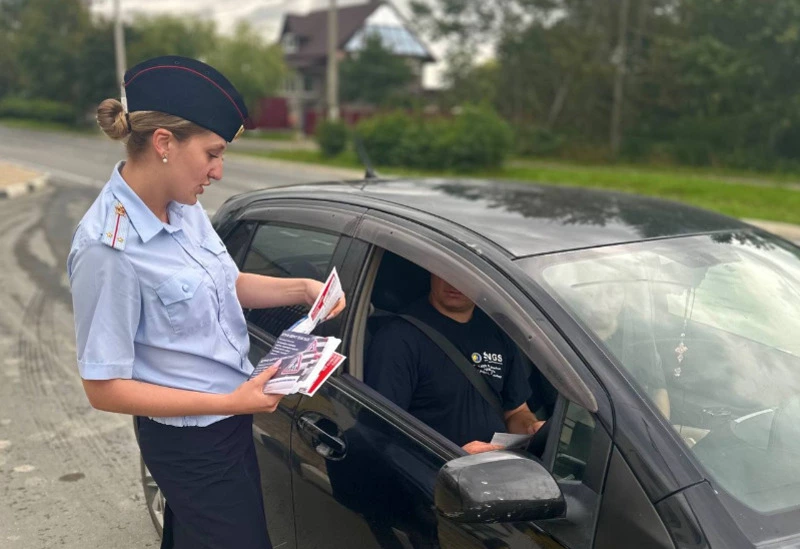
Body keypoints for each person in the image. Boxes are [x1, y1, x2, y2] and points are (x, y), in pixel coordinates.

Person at [67, 56, 345, 549]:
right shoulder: (107, 247)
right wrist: (228, 401)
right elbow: (104, 388)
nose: (218, 171)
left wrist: (302, 290)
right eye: (213, 153)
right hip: (188, 440)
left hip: (231, 420)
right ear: (164, 144)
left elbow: (225, 283)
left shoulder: (183, 207)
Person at [365, 273, 543, 454]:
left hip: (496, 467)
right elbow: (381, 430)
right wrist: (453, 455)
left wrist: (530, 427)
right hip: (435, 472)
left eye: (467, 276)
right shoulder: (399, 338)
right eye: (445, 271)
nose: (454, 282)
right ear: (431, 271)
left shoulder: (497, 333)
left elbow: (516, 411)